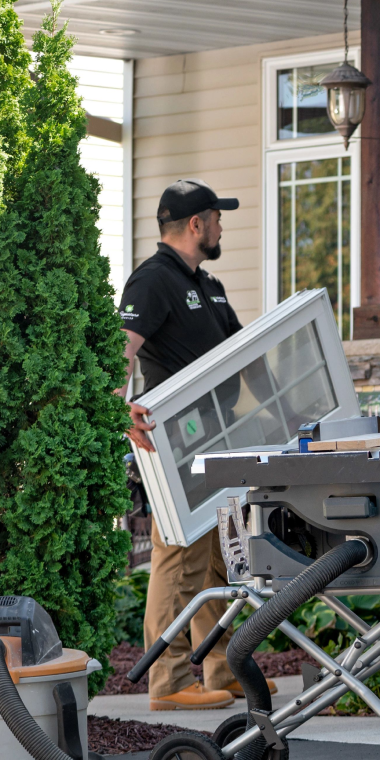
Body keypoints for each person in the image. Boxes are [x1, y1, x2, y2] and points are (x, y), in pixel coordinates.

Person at [118, 180, 275, 710]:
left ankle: (221, 670)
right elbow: (122, 348)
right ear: (195, 224)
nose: (221, 226)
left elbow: (244, 355)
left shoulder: (208, 285)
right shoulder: (153, 280)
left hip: (219, 438)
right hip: (174, 441)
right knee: (179, 556)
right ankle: (167, 683)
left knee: (220, 558)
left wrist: (290, 416)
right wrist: (118, 408)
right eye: (217, 217)